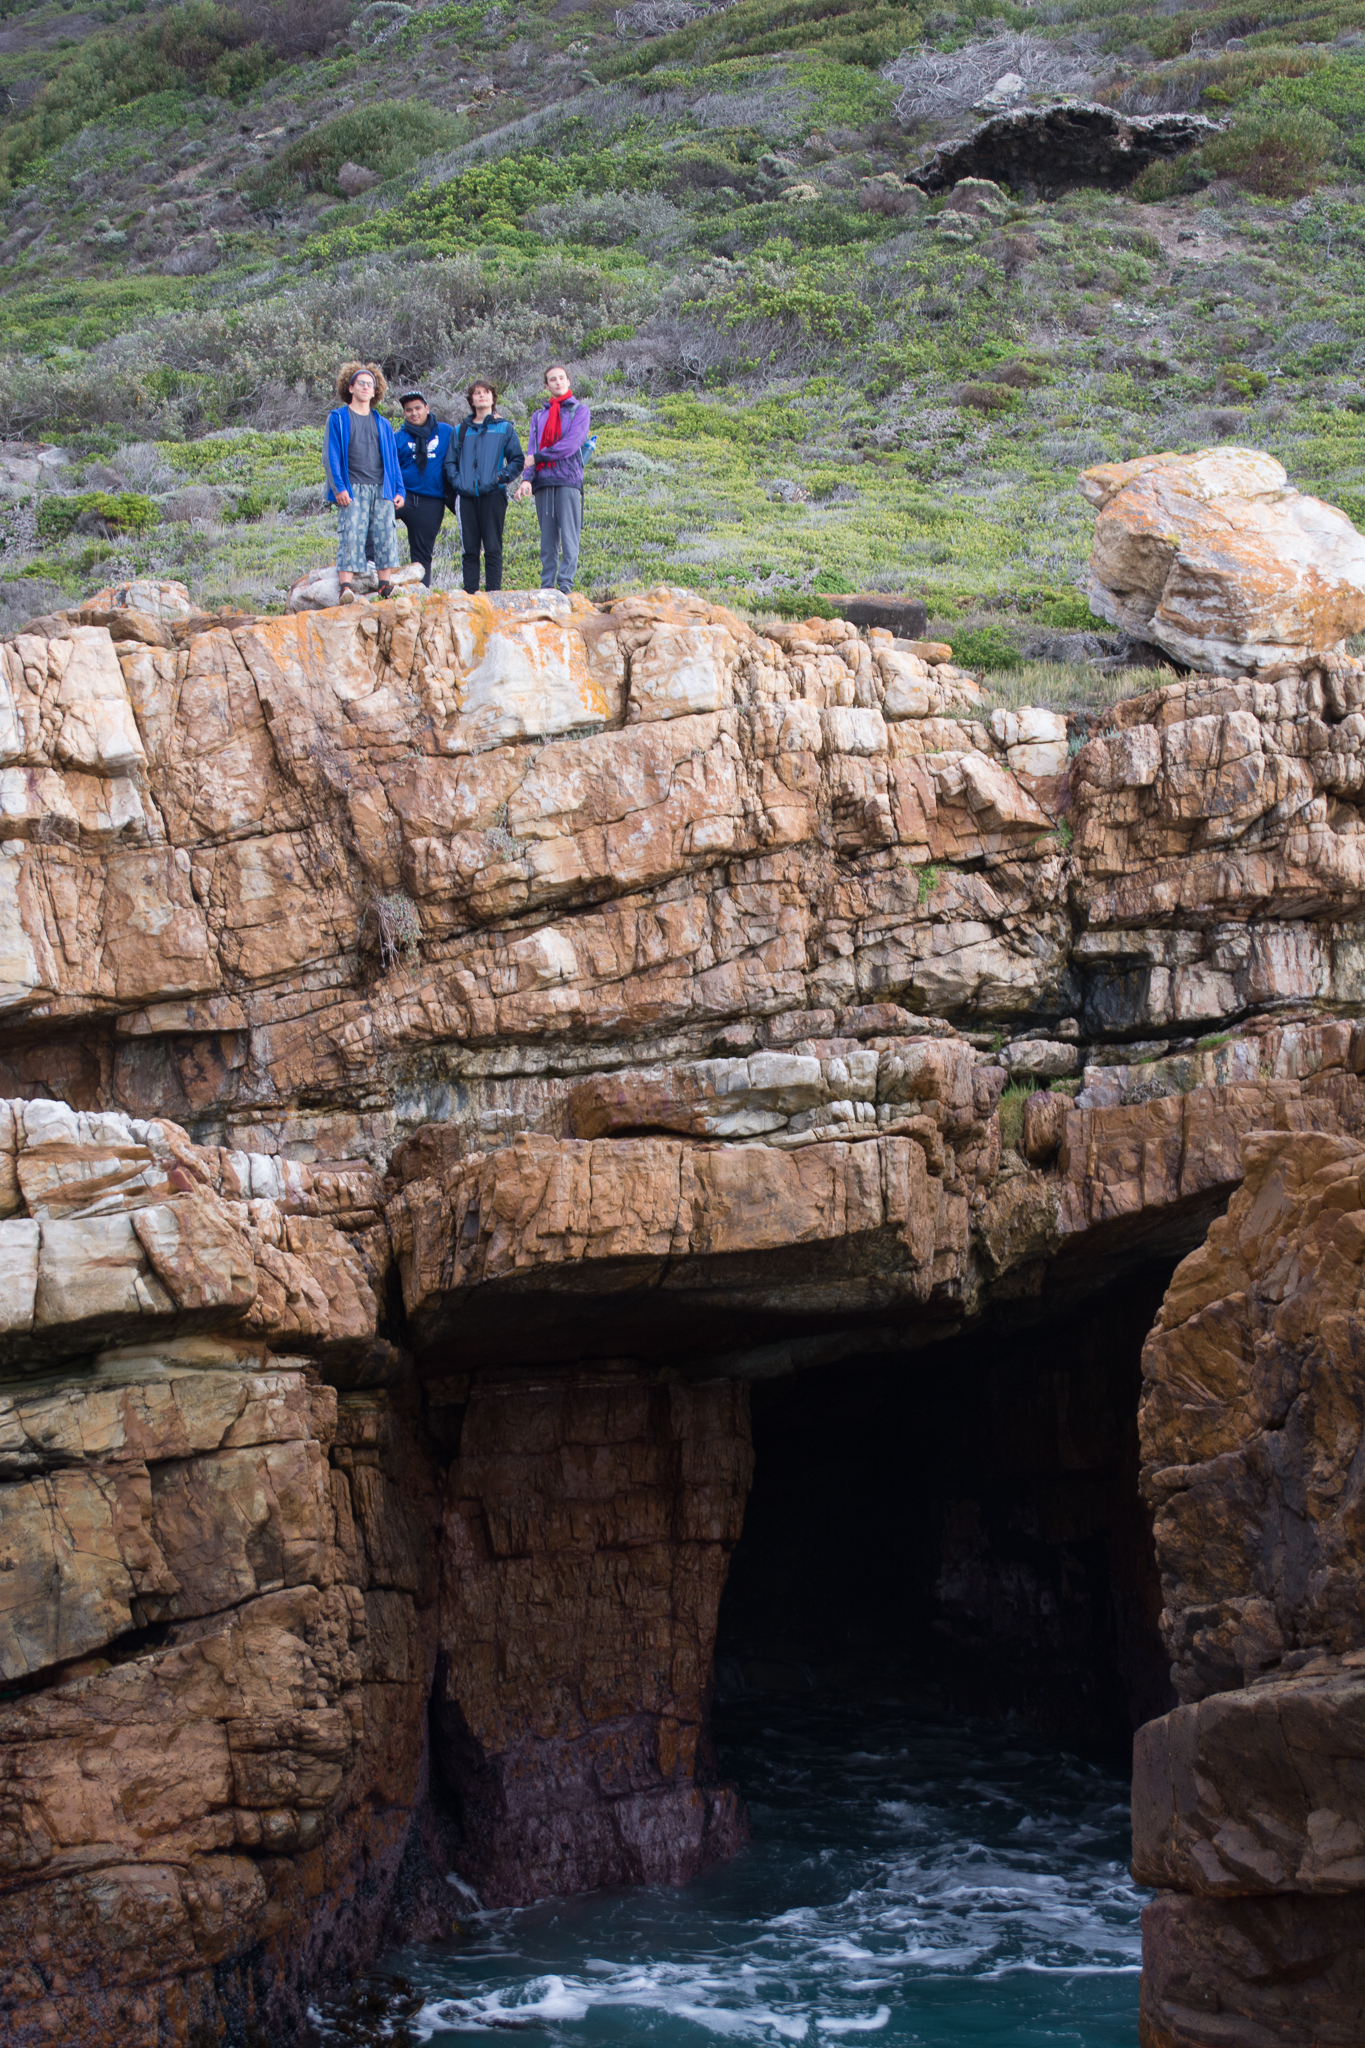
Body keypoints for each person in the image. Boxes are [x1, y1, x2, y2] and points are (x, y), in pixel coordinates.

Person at [325, 361, 405, 600]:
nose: (365, 387)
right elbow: (330, 456)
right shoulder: (338, 418)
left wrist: (399, 490)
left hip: (382, 489)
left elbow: (392, 460)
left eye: (370, 384)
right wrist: (339, 487)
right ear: (350, 387)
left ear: (375, 391)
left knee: (385, 534)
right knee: (350, 534)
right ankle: (346, 587)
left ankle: (384, 585)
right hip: (352, 488)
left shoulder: (383, 423)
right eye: (361, 383)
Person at [441, 379, 524, 594]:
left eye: (486, 392)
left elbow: (517, 459)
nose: (481, 395)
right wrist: (459, 483)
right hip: (466, 497)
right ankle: (471, 596)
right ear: (471, 399)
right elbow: (449, 463)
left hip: (493, 495)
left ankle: (493, 596)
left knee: (493, 548)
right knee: (469, 550)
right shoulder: (460, 430)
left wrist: (499, 477)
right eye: (477, 392)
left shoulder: (504, 428)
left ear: (493, 398)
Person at [514, 363, 590, 595]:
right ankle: (547, 588)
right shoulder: (539, 416)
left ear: (568, 381)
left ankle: (565, 588)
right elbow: (532, 448)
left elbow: (570, 445)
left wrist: (538, 457)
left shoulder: (580, 410)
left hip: (568, 480)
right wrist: (527, 479)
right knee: (547, 541)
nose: (558, 382)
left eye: (561, 378)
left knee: (569, 538)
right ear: (546, 385)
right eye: (552, 379)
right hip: (544, 482)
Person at [394, 389, 453, 588]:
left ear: (427, 408)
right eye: (409, 410)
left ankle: (420, 595)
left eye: (418, 408)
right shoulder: (398, 437)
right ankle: (377, 579)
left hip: (430, 501)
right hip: (403, 496)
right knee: (375, 524)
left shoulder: (445, 432)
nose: (414, 413)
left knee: (422, 557)